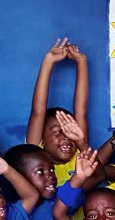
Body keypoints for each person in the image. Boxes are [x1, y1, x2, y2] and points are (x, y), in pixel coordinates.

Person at [26, 38, 89, 184]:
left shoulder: (80, 156)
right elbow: (38, 111)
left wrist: (81, 61)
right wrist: (49, 61)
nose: (66, 136)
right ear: (42, 140)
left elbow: (81, 110)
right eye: (56, 131)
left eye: (68, 130)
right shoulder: (36, 154)